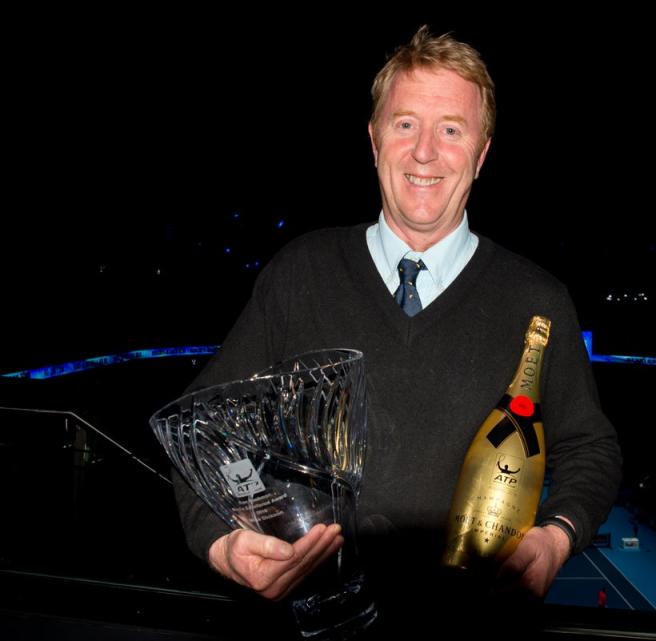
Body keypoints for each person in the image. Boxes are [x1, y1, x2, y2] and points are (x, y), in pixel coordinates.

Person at [172, 25, 621, 630]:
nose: (425, 152)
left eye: (451, 130)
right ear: (374, 138)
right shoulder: (300, 273)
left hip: (470, 627)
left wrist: (558, 538)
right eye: (405, 123)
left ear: (482, 153)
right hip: (313, 629)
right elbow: (199, 426)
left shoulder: (537, 301)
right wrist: (222, 545)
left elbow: (589, 446)